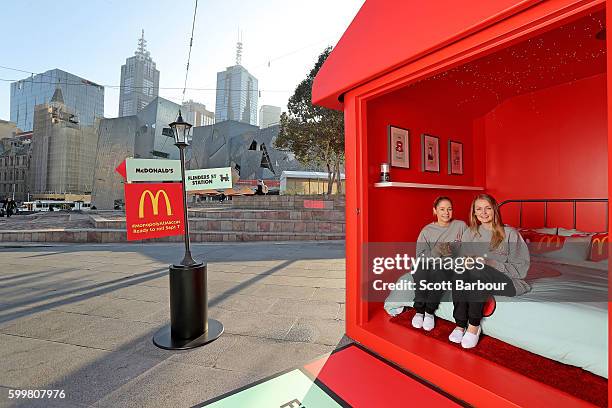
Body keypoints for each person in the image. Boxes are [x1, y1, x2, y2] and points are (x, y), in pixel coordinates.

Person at [449, 194, 530, 349]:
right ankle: (460, 324)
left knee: (479, 270)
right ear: (474, 212)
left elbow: (521, 270)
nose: (483, 213)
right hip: (477, 278)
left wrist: (490, 262)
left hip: (510, 281)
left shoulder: (510, 234)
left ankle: (473, 326)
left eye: (488, 208)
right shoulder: (469, 233)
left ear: (495, 210)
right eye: (478, 209)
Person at [412, 196, 467, 331]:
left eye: (449, 209)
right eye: (442, 209)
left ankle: (429, 311)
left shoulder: (460, 226)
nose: (446, 213)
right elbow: (420, 256)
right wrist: (437, 251)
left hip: (448, 265)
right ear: (435, 211)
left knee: (440, 272)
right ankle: (419, 310)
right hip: (429, 262)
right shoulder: (427, 231)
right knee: (419, 269)